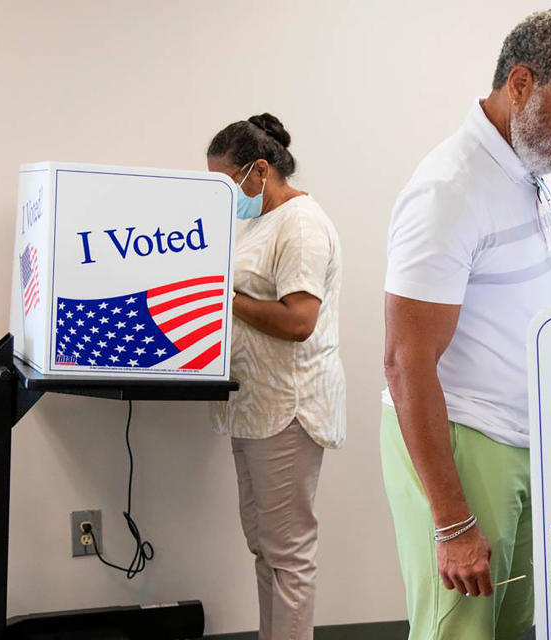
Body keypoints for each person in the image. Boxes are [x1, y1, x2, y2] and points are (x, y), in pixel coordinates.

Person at [381, 9, 551, 639]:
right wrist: (453, 522)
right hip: (462, 431)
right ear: (520, 83)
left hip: (525, 436)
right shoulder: (448, 190)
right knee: (461, 631)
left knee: (520, 626)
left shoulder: (544, 172)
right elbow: (406, 363)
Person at [208, 113, 345, 640]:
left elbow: (298, 321)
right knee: (264, 546)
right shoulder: (258, 220)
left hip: (290, 407)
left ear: (259, 170)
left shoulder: (302, 224)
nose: (225, 197)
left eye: (227, 182)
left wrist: (226, 298)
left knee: (287, 554)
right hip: (253, 405)